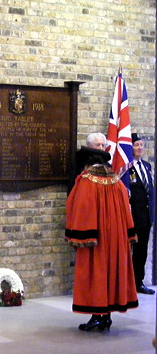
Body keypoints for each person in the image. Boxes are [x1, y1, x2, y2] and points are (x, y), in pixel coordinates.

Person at [65, 146, 138, 331]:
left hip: (97, 238)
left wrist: (78, 236)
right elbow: (127, 212)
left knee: (96, 274)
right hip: (117, 239)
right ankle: (107, 316)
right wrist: (128, 235)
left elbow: (79, 209)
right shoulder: (117, 182)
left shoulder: (86, 181)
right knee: (113, 274)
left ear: (86, 164)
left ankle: (97, 316)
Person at [128, 133, 155, 295]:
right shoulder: (126, 167)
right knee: (128, 251)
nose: (139, 148)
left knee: (141, 251)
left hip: (146, 216)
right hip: (132, 216)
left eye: (141, 145)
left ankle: (138, 282)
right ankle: (127, 283)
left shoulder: (146, 166)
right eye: (136, 145)